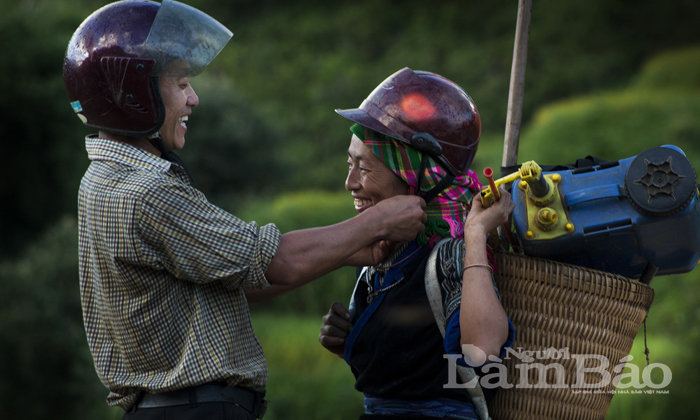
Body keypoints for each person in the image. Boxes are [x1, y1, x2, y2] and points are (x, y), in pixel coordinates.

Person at [64, 1, 426, 419]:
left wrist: (352, 251)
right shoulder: (145, 191)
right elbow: (275, 260)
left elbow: (235, 281)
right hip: (193, 410)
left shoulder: (103, 179)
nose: (193, 98)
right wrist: (378, 221)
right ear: (133, 94)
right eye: (181, 84)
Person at [318, 67, 516, 420]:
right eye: (349, 164)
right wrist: (349, 343)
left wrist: (475, 234)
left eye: (363, 168)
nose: (350, 183)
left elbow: (482, 351)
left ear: (413, 174)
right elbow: (407, 368)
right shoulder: (384, 254)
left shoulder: (450, 254)